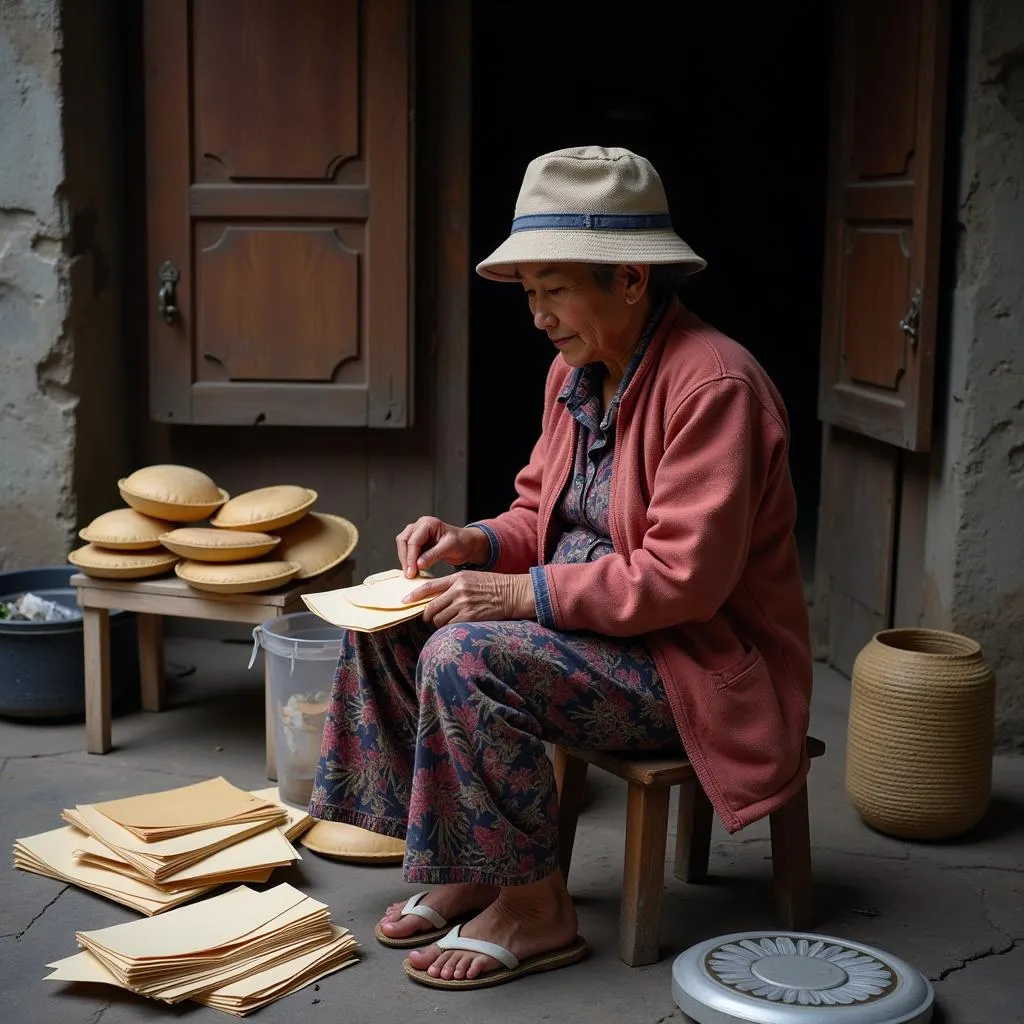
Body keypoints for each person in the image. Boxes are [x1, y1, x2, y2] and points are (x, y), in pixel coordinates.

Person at [308, 145, 812, 990]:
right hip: (594, 639)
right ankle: (471, 862)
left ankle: (538, 908)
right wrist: (473, 544)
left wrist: (512, 592)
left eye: (554, 289)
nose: (537, 315)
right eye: (530, 293)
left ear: (629, 281)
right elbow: (539, 516)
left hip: (693, 662)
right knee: (395, 626)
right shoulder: (574, 373)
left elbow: (681, 581)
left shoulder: (714, 386)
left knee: (465, 655)